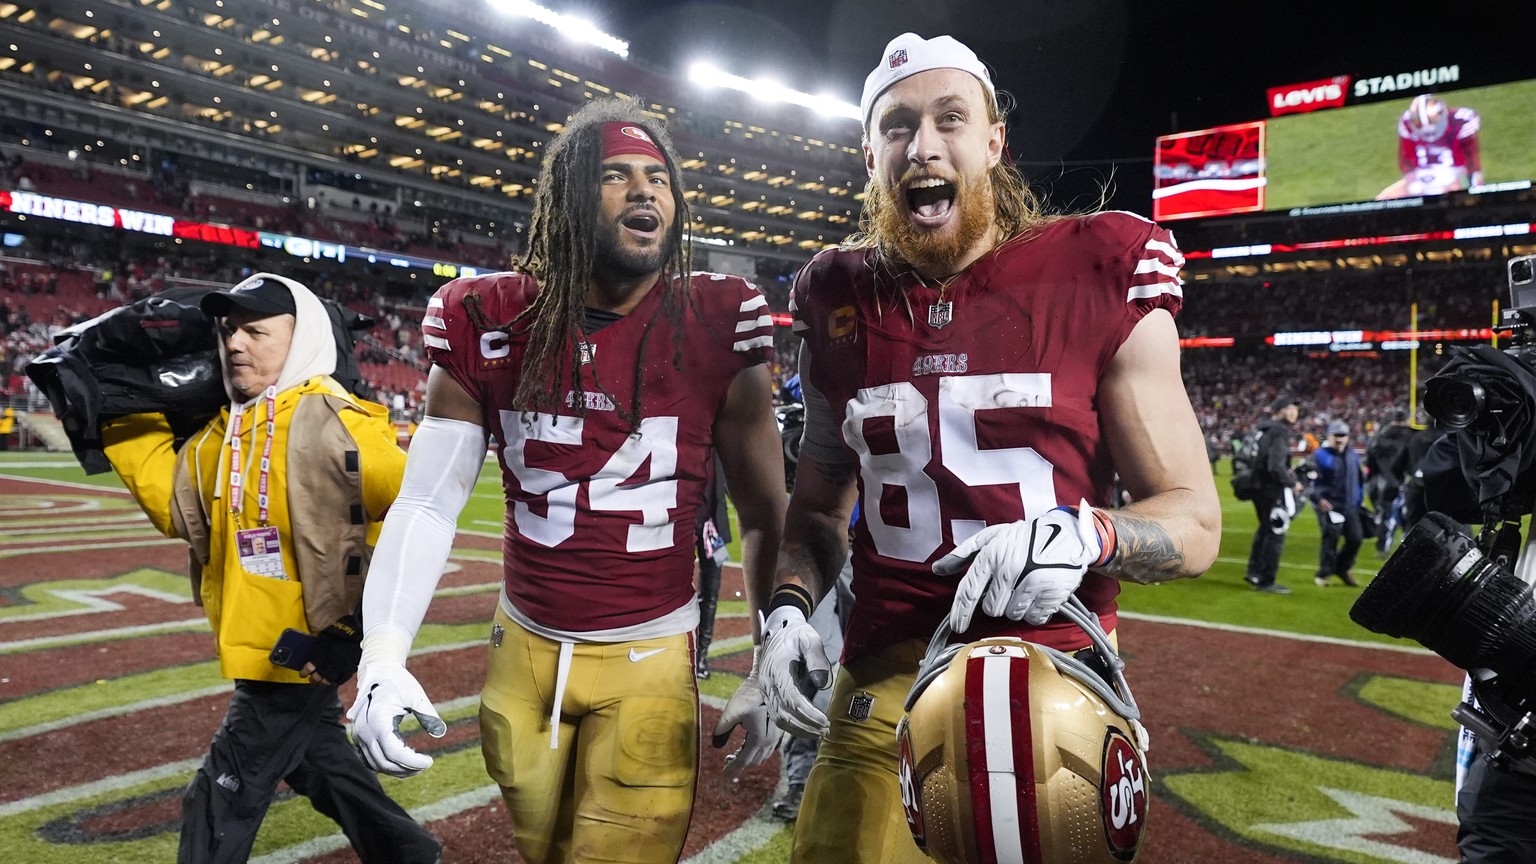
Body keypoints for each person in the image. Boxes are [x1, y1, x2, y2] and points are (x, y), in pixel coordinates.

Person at [739, 32, 1221, 863]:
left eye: (950, 119)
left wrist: (1090, 534)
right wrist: (783, 614)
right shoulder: (834, 292)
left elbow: (1196, 523)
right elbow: (816, 510)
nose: (923, 145)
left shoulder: (1098, 264)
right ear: (870, 156)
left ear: (994, 141)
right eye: (897, 126)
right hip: (883, 668)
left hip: (1052, 669)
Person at [344, 98, 788, 864]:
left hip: (650, 654)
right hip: (522, 651)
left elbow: (765, 514)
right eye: (616, 175)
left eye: (658, 177)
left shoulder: (718, 318)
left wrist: (769, 650)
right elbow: (427, 501)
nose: (644, 190)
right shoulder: (485, 316)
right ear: (569, 196)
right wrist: (382, 655)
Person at [99, 273, 441, 864]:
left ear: (300, 339)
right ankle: (408, 853)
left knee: (217, 801)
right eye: (229, 329)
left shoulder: (334, 422)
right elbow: (177, 506)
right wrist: (120, 411)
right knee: (320, 767)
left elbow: (416, 516)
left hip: (300, 655)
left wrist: (352, 632)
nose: (235, 342)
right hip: (259, 646)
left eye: (256, 331)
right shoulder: (225, 429)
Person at [1244, 394, 1304, 595]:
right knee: (1276, 532)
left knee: (1264, 530)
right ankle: (1266, 580)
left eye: (1296, 409)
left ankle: (1254, 572)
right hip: (1272, 488)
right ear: (1278, 411)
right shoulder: (1279, 430)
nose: (1294, 412)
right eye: (1290, 408)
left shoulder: (1263, 428)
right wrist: (1292, 483)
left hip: (1257, 486)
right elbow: (1276, 466)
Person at [1377, 93, 1483, 200]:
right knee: (1382, 200)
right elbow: (1406, 158)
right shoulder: (1407, 122)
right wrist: (1413, 182)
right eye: (1420, 125)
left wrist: (1469, 185)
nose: (1428, 131)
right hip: (1421, 175)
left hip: (1454, 174)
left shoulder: (1461, 121)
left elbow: (1471, 161)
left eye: (1432, 123)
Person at [1310, 420, 1365, 587]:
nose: (1340, 439)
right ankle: (1323, 574)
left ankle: (1342, 568)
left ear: (1348, 437)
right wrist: (1318, 499)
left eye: (1343, 435)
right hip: (1330, 507)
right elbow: (1308, 480)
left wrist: (1359, 499)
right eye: (1336, 435)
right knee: (1330, 541)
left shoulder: (1352, 454)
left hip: (1350, 506)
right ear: (1329, 436)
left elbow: (1359, 479)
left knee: (1356, 539)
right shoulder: (1319, 455)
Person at [695, 453, 731, 679]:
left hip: (713, 525)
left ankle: (701, 656)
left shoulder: (721, 441)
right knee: (673, 588)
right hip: (683, 521)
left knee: (711, 593)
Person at [1364, 407, 1414, 553]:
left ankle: (1383, 547)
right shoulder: (1410, 437)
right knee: (1407, 515)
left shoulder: (1379, 436)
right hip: (1403, 481)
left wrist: (1371, 479)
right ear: (1406, 421)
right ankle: (1408, 544)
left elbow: (1369, 461)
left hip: (1380, 482)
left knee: (1385, 515)